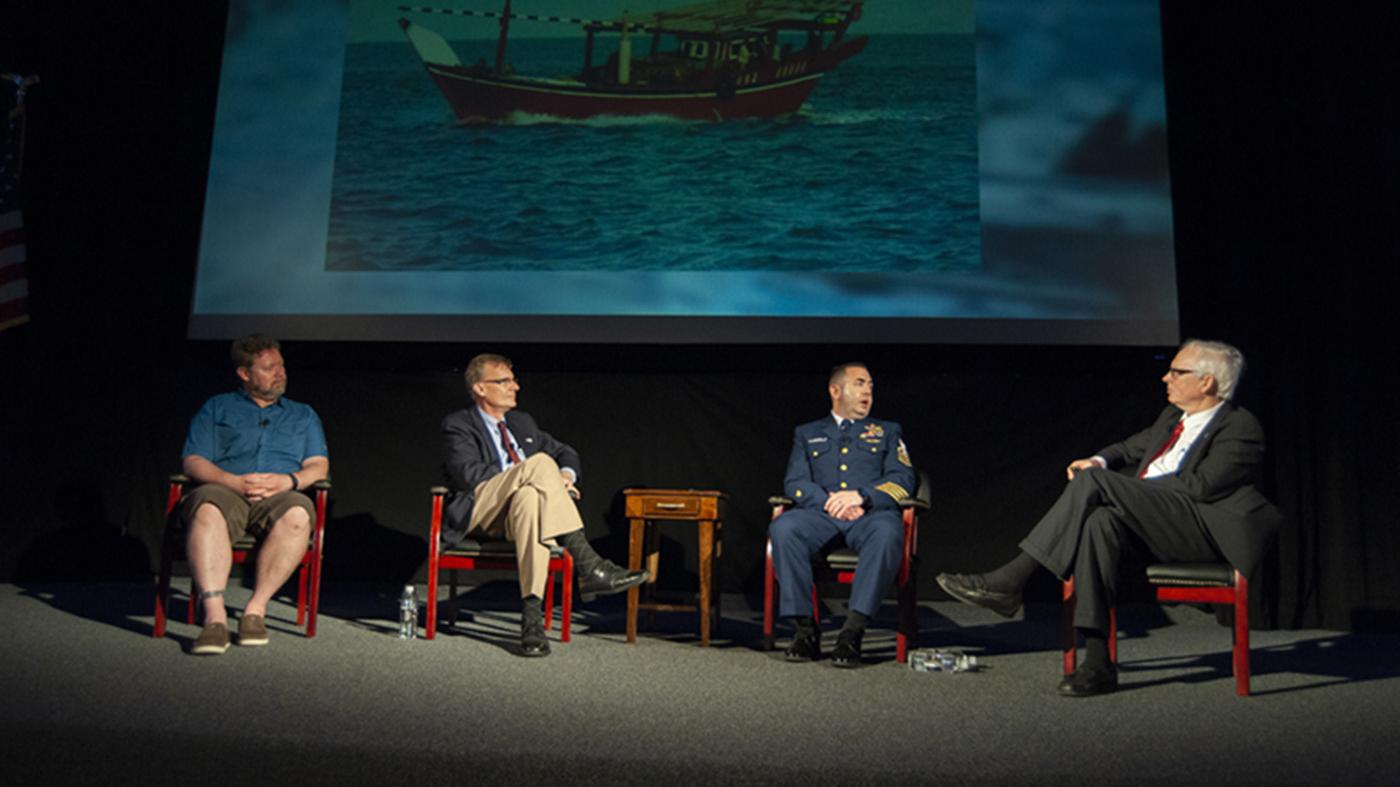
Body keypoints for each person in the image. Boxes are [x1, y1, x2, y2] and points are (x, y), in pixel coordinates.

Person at [937, 339, 1283, 696]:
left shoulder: (1241, 427)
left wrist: (1122, 488)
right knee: (1099, 523)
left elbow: (1200, 487)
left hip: (1198, 531)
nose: (1166, 378)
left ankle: (1013, 579)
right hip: (1151, 524)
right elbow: (1126, 448)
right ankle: (1099, 664)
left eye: (1177, 372)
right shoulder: (1172, 419)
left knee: (1097, 486)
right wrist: (1099, 462)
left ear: (1207, 382)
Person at [440, 353, 648, 657]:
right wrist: (530, 475)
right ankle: (590, 565)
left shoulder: (522, 422)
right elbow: (468, 474)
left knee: (530, 500)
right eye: (505, 381)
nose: (516, 386)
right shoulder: (458, 424)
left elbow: (565, 452)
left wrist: (564, 475)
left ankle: (532, 623)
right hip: (481, 509)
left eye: (513, 379)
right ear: (480, 388)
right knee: (537, 465)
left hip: (520, 514)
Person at [179, 335, 329, 655]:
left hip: (280, 494)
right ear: (244, 374)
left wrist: (288, 481)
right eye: (269, 368)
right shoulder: (217, 407)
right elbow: (193, 459)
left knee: (299, 515)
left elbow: (318, 465)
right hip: (225, 489)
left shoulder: (303, 415)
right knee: (206, 510)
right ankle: (215, 618)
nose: (280, 373)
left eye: (281, 366)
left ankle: (255, 611)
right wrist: (230, 482)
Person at [770, 362, 917, 667]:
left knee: (889, 532)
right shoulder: (807, 433)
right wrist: (827, 502)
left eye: (871, 386)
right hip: (821, 514)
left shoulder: (888, 431)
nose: (868, 391)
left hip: (870, 515)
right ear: (835, 391)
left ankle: (852, 632)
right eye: (860, 383)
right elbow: (795, 482)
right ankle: (805, 630)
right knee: (784, 527)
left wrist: (862, 496)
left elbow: (903, 479)